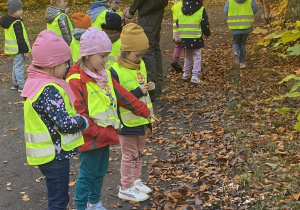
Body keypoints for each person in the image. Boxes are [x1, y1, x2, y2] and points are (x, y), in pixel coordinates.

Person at [66, 27, 155, 210]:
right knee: (87, 175)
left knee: (99, 173)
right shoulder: (75, 80)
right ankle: (82, 206)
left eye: (107, 55)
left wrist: (145, 111)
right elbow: (78, 113)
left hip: (104, 136)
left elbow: (123, 96)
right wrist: (98, 133)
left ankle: (95, 202)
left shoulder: (102, 75)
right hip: (90, 138)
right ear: (88, 55)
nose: (107, 61)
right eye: (102, 56)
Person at [21, 30, 88, 210]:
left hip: (47, 155)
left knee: (56, 196)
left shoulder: (34, 82)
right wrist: (84, 121)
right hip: (54, 155)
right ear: (53, 64)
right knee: (58, 200)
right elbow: (65, 124)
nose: (68, 67)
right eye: (66, 63)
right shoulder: (49, 89)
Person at [109, 23, 156, 202]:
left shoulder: (140, 64)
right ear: (126, 51)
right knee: (129, 155)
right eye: (137, 55)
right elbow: (119, 97)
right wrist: (139, 92)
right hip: (126, 123)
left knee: (139, 153)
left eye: (142, 55)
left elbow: (142, 86)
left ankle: (135, 180)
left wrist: (150, 88)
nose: (140, 59)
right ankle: (126, 186)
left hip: (141, 120)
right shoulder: (115, 71)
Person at [123, 0, 168, 101]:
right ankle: (157, 86)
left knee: (147, 49)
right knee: (154, 48)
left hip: (149, 10)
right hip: (156, 8)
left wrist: (132, 9)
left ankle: (153, 90)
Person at [0, 0, 31, 93]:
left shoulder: (9, 21)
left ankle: (15, 83)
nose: (22, 11)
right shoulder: (17, 22)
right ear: (14, 11)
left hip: (13, 49)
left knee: (16, 66)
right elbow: (20, 39)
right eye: (20, 9)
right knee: (19, 67)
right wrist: (25, 50)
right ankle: (21, 85)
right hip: (19, 49)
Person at [178, 0, 210, 84]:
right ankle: (195, 76)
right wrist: (207, 33)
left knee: (187, 56)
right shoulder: (200, 9)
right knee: (197, 56)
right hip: (196, 36)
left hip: (185, 36)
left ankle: (185, 73)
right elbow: (204, 23)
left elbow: (178, 22)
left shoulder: (182, 8)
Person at [224, 0, 258, 69]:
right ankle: (242, 63)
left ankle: (235, 53)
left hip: (234, 25)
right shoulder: (250, 1)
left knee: (235, 42)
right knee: (243, 43)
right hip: (246, 25)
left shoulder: (230, 1)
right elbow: (255, 9)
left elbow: (226, 11)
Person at [171, 0, 183, 73]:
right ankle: (187, 65)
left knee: (178, 46)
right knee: (186, 48)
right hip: (184, 29)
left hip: (176, 30)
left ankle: (174, 60)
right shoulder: (184, 4)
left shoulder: (175, 5)